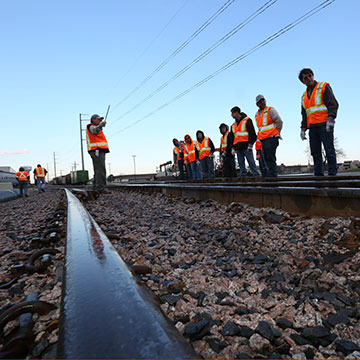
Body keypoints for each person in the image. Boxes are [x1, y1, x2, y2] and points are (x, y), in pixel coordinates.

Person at [298, 68, 339, 176]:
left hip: (325, 125)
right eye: (305, 78)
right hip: (312, 128)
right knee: (315, 153)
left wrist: (331, 119)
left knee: (329, 151)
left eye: (310, 75)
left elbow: (333, 103)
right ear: (303, 81)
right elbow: (305, 114)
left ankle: (332, 175)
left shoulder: (323, 87)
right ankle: (319, 176)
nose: (308, 79)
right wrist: (303, 129)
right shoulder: (304, 97)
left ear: (313, 75)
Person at [255, 95, 283, 178]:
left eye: (263, 100)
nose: (262, 102)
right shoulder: (257, 115)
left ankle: (273, 177)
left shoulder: (270, 110)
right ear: (257, 104)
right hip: (263, 139)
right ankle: (269, 177)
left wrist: (277, 133)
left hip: (271, 138)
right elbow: (260, 128)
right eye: (260, 101)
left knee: (270, 158)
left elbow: (279, 121)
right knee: (265, 160)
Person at [230, 106, 260, 177]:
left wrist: (250, 144)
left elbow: (252, 133)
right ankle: (244, 177)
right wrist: (233, 148)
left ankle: (256, 175)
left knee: (251, 162)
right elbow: (232, 138)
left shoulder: (247, 120)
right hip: (238, 147)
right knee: (241, 163)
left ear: (237, 112)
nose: (231, 115)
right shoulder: (233, 125)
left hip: (246, 146)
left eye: (232, 113)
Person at [86, 114, 109, 193]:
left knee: (98, 170)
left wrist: (100, 126)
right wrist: (100, 126)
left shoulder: (97, 128)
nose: (100, 121)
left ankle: (96, 187)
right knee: (100, 169)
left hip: (98, 150)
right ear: (93, 119)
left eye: (101, 120)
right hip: (97, 150)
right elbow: (94, 131)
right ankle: (101, 188)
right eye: (99, 119)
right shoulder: (91, 126)